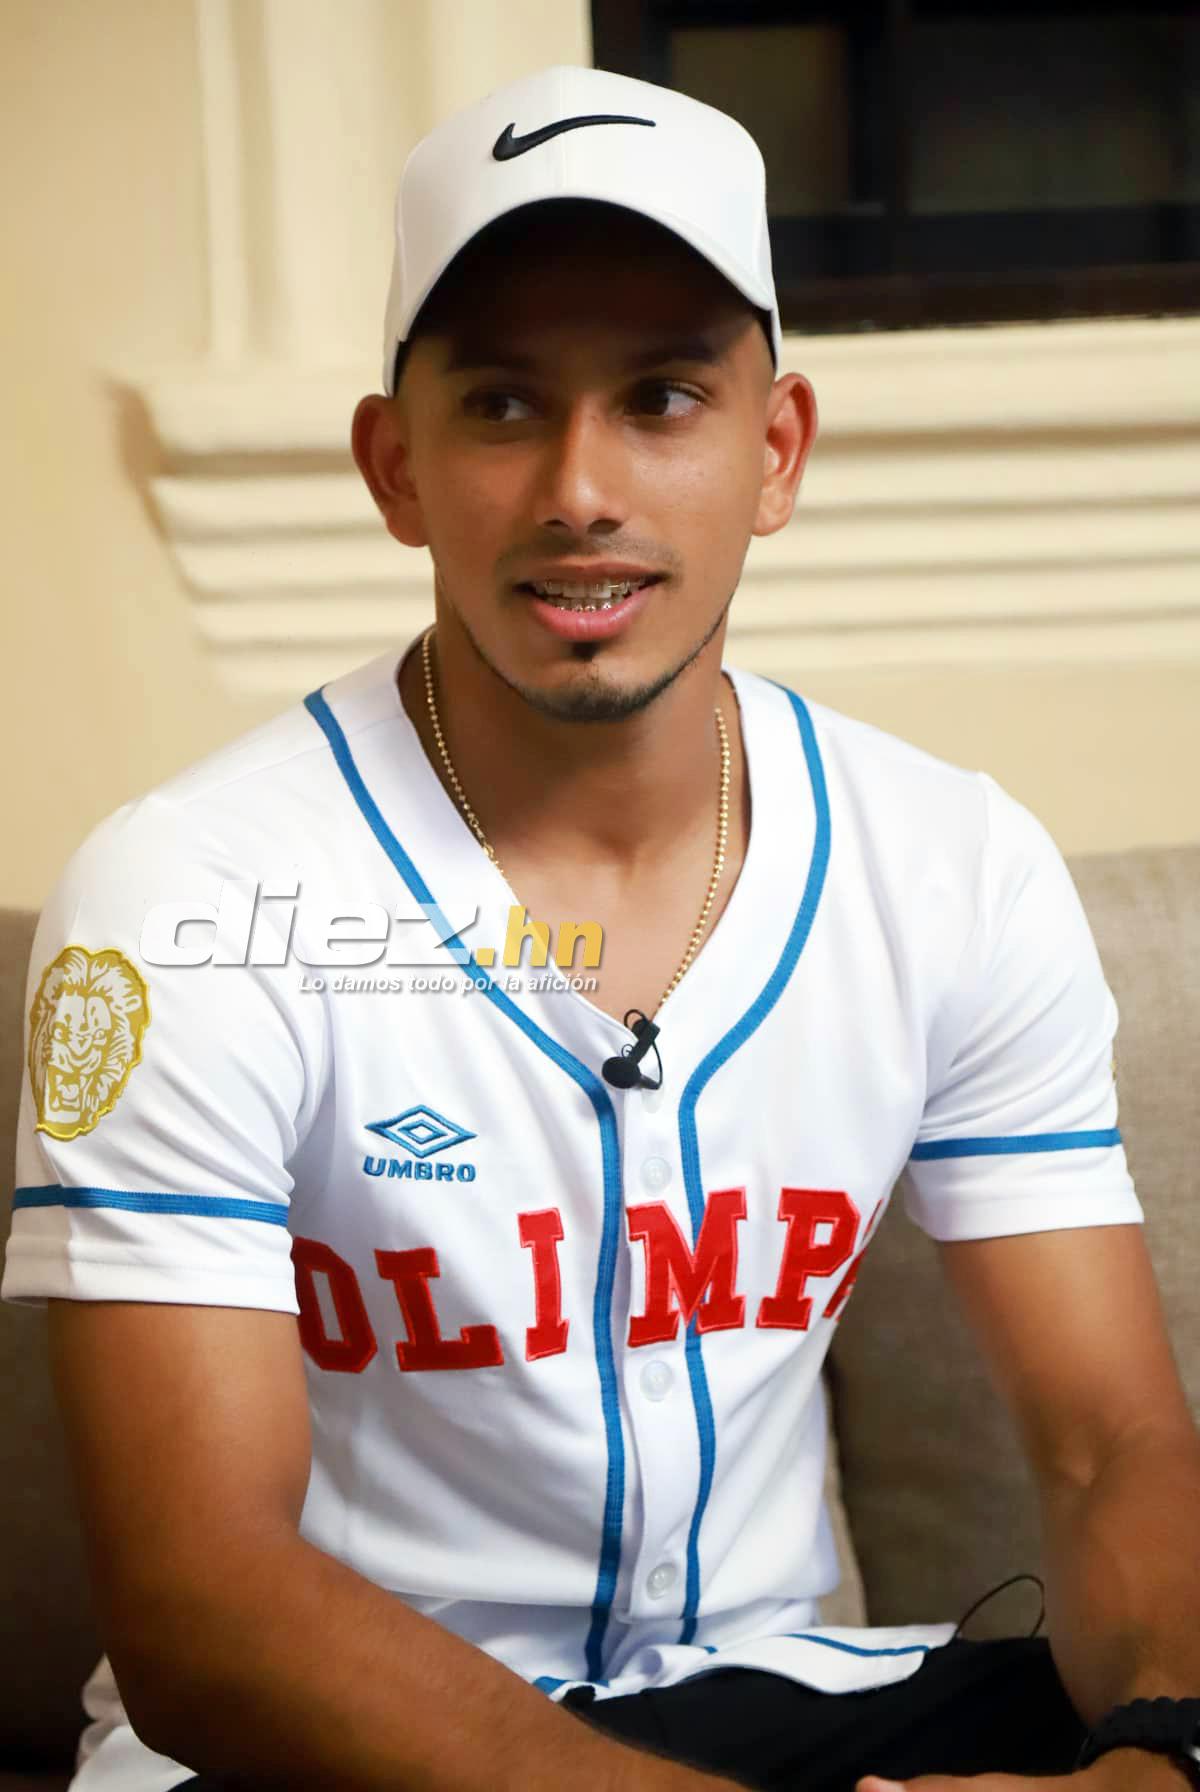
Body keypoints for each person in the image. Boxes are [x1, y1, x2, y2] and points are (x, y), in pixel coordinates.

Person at [4, 61, 1199, 1792]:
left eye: (660, 396)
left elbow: (1109, 1448)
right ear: (393, 463)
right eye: (500, 406)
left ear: (773, 450)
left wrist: (1160, 1761)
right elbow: (206, 1608)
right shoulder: (186, 897)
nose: (582, 487)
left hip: (783, 1706)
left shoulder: (953, 863)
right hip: (328, 1757)